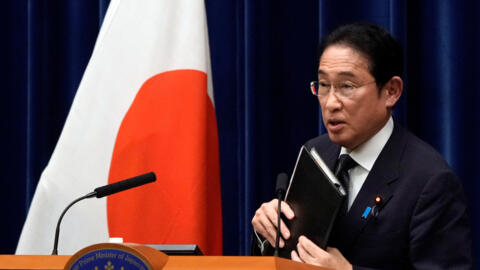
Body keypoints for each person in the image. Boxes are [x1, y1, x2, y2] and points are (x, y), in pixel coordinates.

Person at [251, 22, 473, 269]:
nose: (331, 103)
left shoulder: (430, 182)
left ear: (391, 91)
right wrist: (269, 230)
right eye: (323, 86)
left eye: (347, 86)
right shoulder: (316, 153)